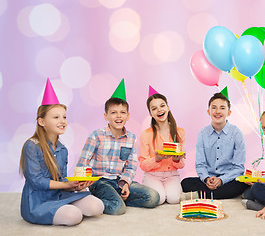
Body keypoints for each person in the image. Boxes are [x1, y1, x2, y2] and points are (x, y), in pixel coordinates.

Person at [20, 79, 103, 226]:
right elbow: (37, 181)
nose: (62, 121)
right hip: (38, 201)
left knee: (97, 206)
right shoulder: (31, 146)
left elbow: (61, 179)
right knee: (73, 216)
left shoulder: (62, 149)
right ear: (42, 122)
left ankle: (64, 207)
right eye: (56, 117)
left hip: (60, 195)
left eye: (64, 117)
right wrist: (66, 186)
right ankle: (63, 210)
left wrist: (75, 186)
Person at [77, 79, 159, 215]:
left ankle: (116, 198)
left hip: (119, 181)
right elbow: (82, 163)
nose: (118, 116)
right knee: (118, 209)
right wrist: (82, 185)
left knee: (153, 197)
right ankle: (93, 200)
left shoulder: (131, 138)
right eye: (114, 112)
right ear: (106, 116)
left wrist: (125, 183)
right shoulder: (96, 136)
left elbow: (131, 165)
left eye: (122, 112)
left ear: (128, 116)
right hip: (99, 182)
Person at [181, 88, 248, 199]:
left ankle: (200, 195)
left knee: (241, 184)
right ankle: (213, 193)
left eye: (222, 108)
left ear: (229, 112)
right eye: (214, 108)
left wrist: (221, 180)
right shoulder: (203, 134)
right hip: (209, 178)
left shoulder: (236, 133)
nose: (217, 111)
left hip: (228, 179)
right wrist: (207, 179)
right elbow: (200, 164)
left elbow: (238, 168)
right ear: (209, 112)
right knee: (185, 182)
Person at [139, 89, 185, 205]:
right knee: (158, 199)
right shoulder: (146, 134)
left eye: (162, 106)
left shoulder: (179, 132)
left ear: (168, 108)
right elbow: (143, 165)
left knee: (174, 199)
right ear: (150, 114)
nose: (159, 110)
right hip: (153, 175)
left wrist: (177, 159)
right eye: (154, 108)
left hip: (172, 175)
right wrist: (156, 159)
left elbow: (181, 164)